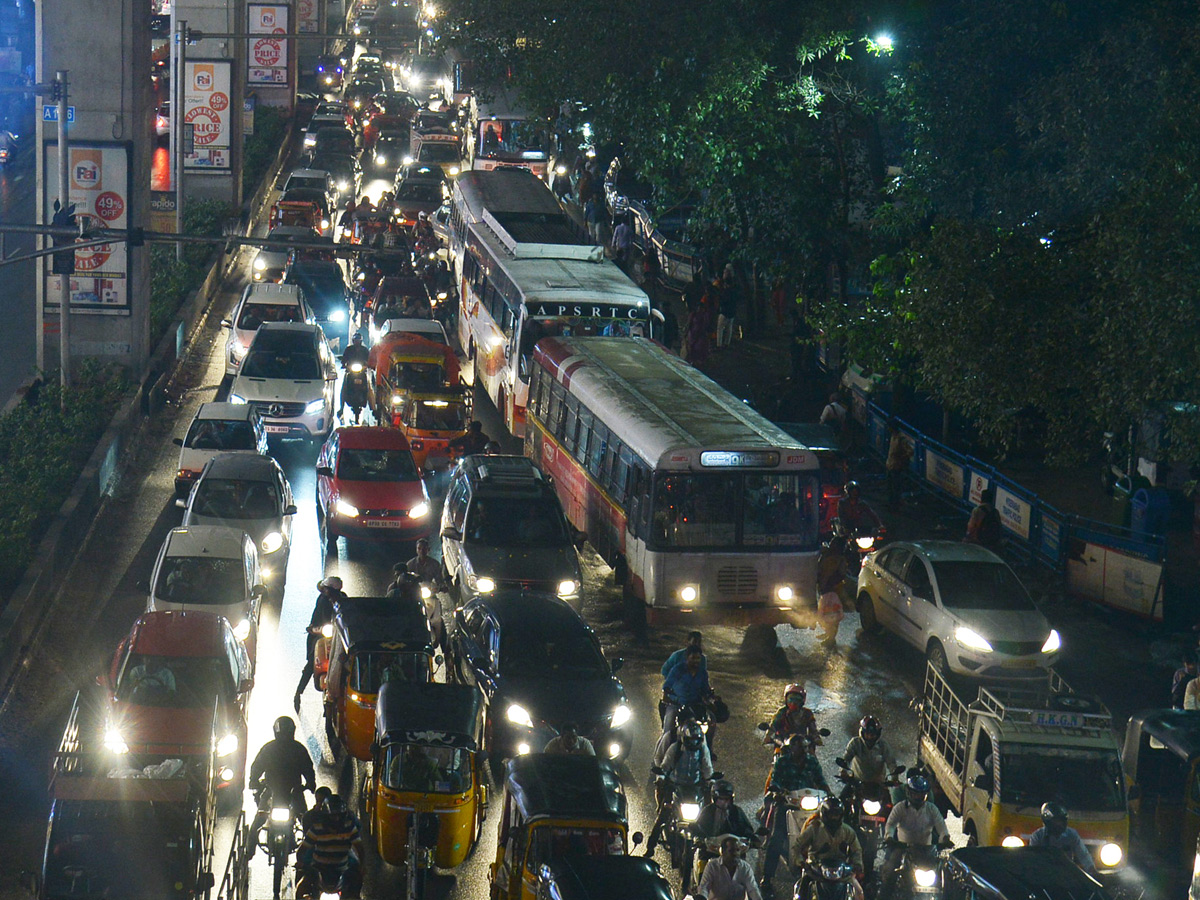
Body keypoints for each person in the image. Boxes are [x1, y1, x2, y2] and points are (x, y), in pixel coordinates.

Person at [760, 736, 831, 893]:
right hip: (788, 803)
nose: (804, 751)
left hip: (810, 803)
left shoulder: (812, 762)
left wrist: (828, 792)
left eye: (805, 748)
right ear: (792, 749)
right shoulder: (782, 762)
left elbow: (820, 779)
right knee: (776, 838)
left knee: (828, 828)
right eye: (800, 748)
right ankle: (767, 876)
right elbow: (775, 781)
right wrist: (778, 792)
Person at [248, 716, 317, 852]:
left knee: (306, 820)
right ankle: (249, 850)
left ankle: (311, 853)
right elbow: (257, 767)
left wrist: (310, 783)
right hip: (271, 791)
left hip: (294, 791)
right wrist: (254, 780)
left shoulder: (296, 749)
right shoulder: (274, 749)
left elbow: (308, 768)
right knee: (260, 818)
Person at [877, 775, 951, 899]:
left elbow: (942, 827)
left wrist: (945, 839)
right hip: (903, 849)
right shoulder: (900, 808)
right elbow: (890, 825)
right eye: (916, 794)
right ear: (909, 793)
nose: (919, 797)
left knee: (945, 877)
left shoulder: (931, 809)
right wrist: (889, 837)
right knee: (890, 873)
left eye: (921, 794)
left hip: (927, 851)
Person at [645, 721, 714, 855]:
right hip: (675, 786)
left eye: (696, 740)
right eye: (691, 740)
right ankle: (650, 847)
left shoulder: (703, 749)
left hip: (695, 787)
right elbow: (665, 766)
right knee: (662, 815)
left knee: (708, 815)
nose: (694, 743)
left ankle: (708, 849)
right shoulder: (674, 748)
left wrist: (711, 780)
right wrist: (661, 777)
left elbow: (707, 767)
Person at [791, 798, 864, 900]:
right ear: (824, 814)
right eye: (831, 815)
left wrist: (857, 864)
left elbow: (857, 850)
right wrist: (801, 862)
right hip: (815, 871)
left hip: (842, 874)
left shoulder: (847, 831)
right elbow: (797, 846)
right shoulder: (814, 829)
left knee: (859, 893)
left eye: (836, 815)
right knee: (801, 893)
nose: (834, 818)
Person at [294, 577, 346, 712]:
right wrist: (315, 629)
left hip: (338, 636)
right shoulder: (322, 600)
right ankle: (298, 693)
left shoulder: (343, 599)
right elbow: (318, 619)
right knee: (312, 662)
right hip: (319, 634)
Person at [296, 793, 363, 897]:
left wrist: (361, 867)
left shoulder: (349, 827)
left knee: (356, 885)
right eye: (333, 816)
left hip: (342, 870)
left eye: (338, 816)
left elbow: (360, 848)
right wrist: (301, 864)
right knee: (300, 891)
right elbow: (302, 850)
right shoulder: (316, 829)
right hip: (318, 870)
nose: (336, 819)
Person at [654, 646, 712, 765]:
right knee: (669, 728)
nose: (696, 661)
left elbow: (705, 689)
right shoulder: (677, 669)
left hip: (694, 705)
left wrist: (710, 699)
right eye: (693, 658)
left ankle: (708, 752)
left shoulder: (702, 673)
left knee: (710, 724)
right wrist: (668, 697)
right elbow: (666, 686)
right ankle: (659, 758)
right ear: (687, 658)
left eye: (698, 658)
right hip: (676, 704)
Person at [1028, 801, 1097, 876]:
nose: (1061, 824)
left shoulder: (1071, 835)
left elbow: (1083, 854)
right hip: (1045, 875)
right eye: (1057, 821)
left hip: (1067, 874)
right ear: (1048, 821)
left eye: (1063, 820)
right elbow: (1034, 860)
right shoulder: (1037, 837)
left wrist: (1092, 870)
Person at [695, 780, 759, 850]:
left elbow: (746, 829)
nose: (724, 802)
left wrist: (753, 839)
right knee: (702, 860)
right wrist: (700, 839)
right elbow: (699, 827)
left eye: (727, 799)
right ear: (714, 798)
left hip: (734, 850)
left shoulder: (736, 811)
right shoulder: (708, 811)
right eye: (721, 799)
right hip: (710, 851)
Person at [695, 835, 763, 900]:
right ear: (723, 852)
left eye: (737, 850)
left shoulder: (745, 868)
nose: (735, 853)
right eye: (731, 850)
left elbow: (752, 889)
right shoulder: (712, 866)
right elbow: (704, 887)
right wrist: (701, 897)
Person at [840, 716, 899, 789]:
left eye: (873, 734)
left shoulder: (883, 745)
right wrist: (843, 771)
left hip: (879, 786)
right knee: (841, 798)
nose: (870, 736)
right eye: (867, 733)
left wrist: (894, 778)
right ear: (862, 732)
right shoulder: (855, 743)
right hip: (857, 785)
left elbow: (891, 763)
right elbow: (846, 758)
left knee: (889, 800)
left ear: (878, 734)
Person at [765, 683, 821, 750]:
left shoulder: (807, 713)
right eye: (791, 699)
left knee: (812, 756)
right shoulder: (781, 712)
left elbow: (813, 729)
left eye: (797, 700)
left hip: (802, 743)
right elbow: (773, 725)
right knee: (778, 753)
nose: (793, 703)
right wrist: (768, 736)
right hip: (783, 742)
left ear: (802, 701)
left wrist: (816, 738)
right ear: (786, 699)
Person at [815, 538, 849, 648]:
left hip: (830, 590)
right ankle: (829, 634)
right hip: (831, 589)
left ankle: (831, 638)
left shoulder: (829, 557)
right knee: (828, 614)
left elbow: (824, 573)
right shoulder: (837, 558)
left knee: (830, 614)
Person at [885, 422, 912, 511]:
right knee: (890, 487)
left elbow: (910, 451)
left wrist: (901, 458)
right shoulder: (893, 437)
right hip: (890, 465)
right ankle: (891, 504)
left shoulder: (901, 439)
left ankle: (895, 506)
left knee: (895, 487)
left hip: (896, 467)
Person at [716, 264, 738, 349]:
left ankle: (719, 344)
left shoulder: (726, 291)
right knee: (729, 328)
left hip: (725, 311)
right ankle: (727, 343)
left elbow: (723, 300)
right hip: (732, 311)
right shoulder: (735, 290)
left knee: (720, 328)